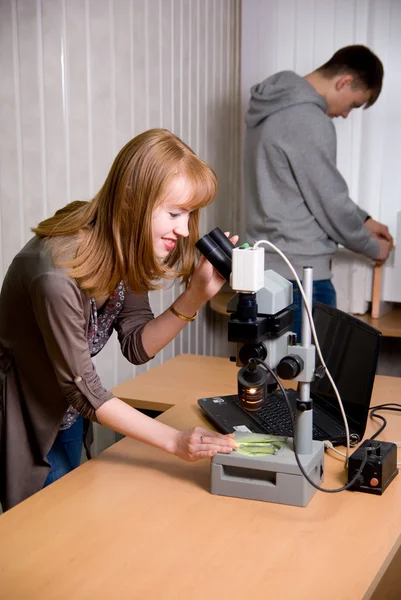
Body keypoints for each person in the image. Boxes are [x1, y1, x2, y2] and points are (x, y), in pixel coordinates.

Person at [0, 128, 238, 511]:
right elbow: (86, 391)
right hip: (27, 415)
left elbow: (136, 344)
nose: (183, 228)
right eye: (175, 212)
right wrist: (175, 442)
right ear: (130, 201)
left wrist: (195, 295)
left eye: (190, 214)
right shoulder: (56, 276)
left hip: (67, 409)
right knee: (48, 528)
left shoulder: (122, 242)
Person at [244, 45, 393, 338]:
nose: (347, 115)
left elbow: (298, 185)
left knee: (270, 376)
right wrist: (374, 247)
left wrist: (365, 220)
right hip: (301, 277)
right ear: (344, 81)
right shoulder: (309, 119)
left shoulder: (270, 107)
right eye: (354, 103)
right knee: (310, 379)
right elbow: (330, 204)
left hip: (265, 270)